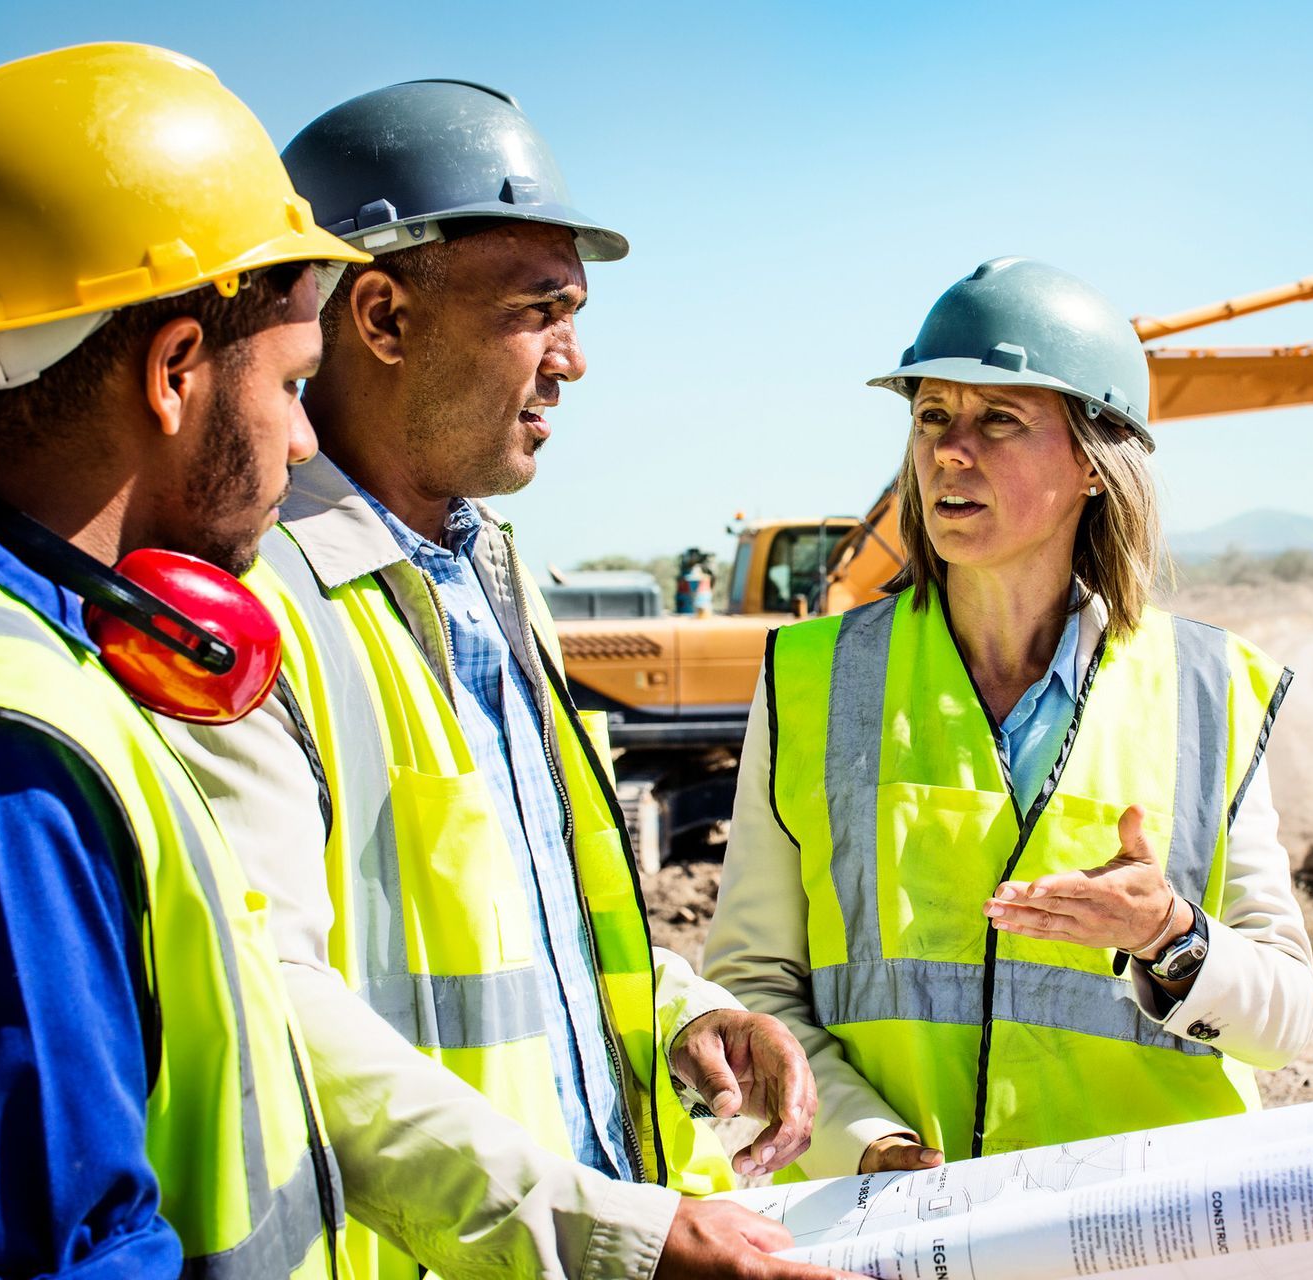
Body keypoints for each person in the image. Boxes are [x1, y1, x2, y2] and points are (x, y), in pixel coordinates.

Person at [164, 81, 844, 1279]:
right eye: (541, 311)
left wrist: (688, 1014)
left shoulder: (492, 573)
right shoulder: (247, 607)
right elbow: (276, 1006)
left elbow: (533, 917)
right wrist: (606, 1235)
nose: (573, 361)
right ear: (381, 315)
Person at [706, 257, 1313, 1179]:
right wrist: (868, 1150)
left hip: (1144, 1224)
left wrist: (1169, 935)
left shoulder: (1207, 687)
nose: (950, 451)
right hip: (899, 1227)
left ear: (1096, 464)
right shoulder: (811, 680)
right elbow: (752, 987)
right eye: (931, 417)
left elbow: (1285, 1021)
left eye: (999, 419)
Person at [0, 43, 368, 1276]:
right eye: (295, 383)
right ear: (174, 370)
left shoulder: (44, 655)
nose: (302, 441)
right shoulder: (12, 751)